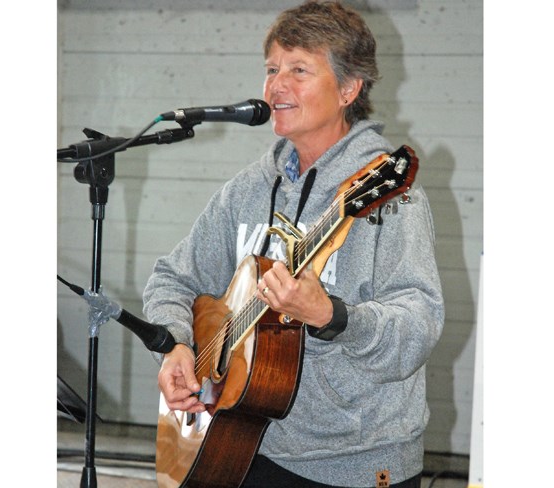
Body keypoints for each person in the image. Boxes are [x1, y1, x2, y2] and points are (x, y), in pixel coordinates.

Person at [142, 1, 444, 487]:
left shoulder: (391, 197)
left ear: (349, 88)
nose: (276, 85)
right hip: (243, 440)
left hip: (356, 463)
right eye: (271, 69)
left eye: (299, 70)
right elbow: (173, 278)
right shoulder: (246, 189)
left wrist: (332, 315)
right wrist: (177, 345)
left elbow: (419, 326)